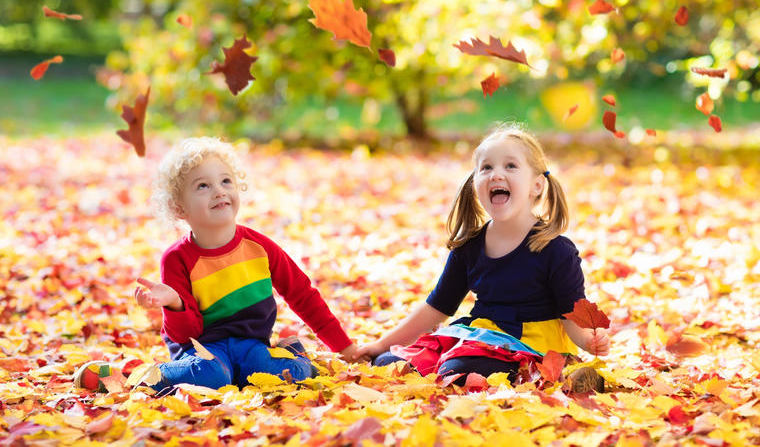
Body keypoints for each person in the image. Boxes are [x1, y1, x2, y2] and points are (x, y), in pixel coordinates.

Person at [75, 137, 357, 393]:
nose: (219, 191)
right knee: (212, 376)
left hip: (251, 345)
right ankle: (128, 379)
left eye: (225, 181)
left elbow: (302, 294)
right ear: (179, 208)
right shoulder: (177, 259)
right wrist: (174, 304)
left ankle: (293, 353)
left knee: (282, 373)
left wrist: (345, 348)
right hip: (202, 351)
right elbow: (186, 334)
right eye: (203, 186)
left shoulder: (260, 247)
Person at [355, 123, 610, 392]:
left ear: (537, 185)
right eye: (486, 168)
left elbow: (570, 315)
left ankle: (565, 373)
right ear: (475, 183)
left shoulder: (555, 250)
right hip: (481, 336)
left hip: (533, 343)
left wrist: (587, 340)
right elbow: (436, 307)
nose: (496, 174)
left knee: (460, 372)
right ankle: (454, 364)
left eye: (510, 166)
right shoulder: (470, 246)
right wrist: (380, 345)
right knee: (390, 363)